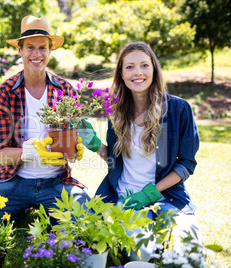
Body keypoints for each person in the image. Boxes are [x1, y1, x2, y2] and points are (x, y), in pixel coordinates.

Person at [0, 15, 89, 244]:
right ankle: (23, 208)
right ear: (20, 50)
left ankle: (40, 210)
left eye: (42, 48)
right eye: (30, 48)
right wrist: (31, 152)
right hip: (14, 182)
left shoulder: (65, 90)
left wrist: (75, 147)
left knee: (89, 228)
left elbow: (69, 140)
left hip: (56, 183)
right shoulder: (4, 93)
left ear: (50, 50)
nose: (37, 54)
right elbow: (2, 154)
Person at [79, 41, 203, 261]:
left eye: (144, 65)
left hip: (167, 196)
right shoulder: (116, 111)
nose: (138, 72)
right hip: (125, 199)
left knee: (190, 255)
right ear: (122, 74)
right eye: (130, 67)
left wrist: (151, 192)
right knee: (143, 254)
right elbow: (118, 160)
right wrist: (96, 145)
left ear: (154, 70)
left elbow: (186, 164)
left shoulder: (178, 109)